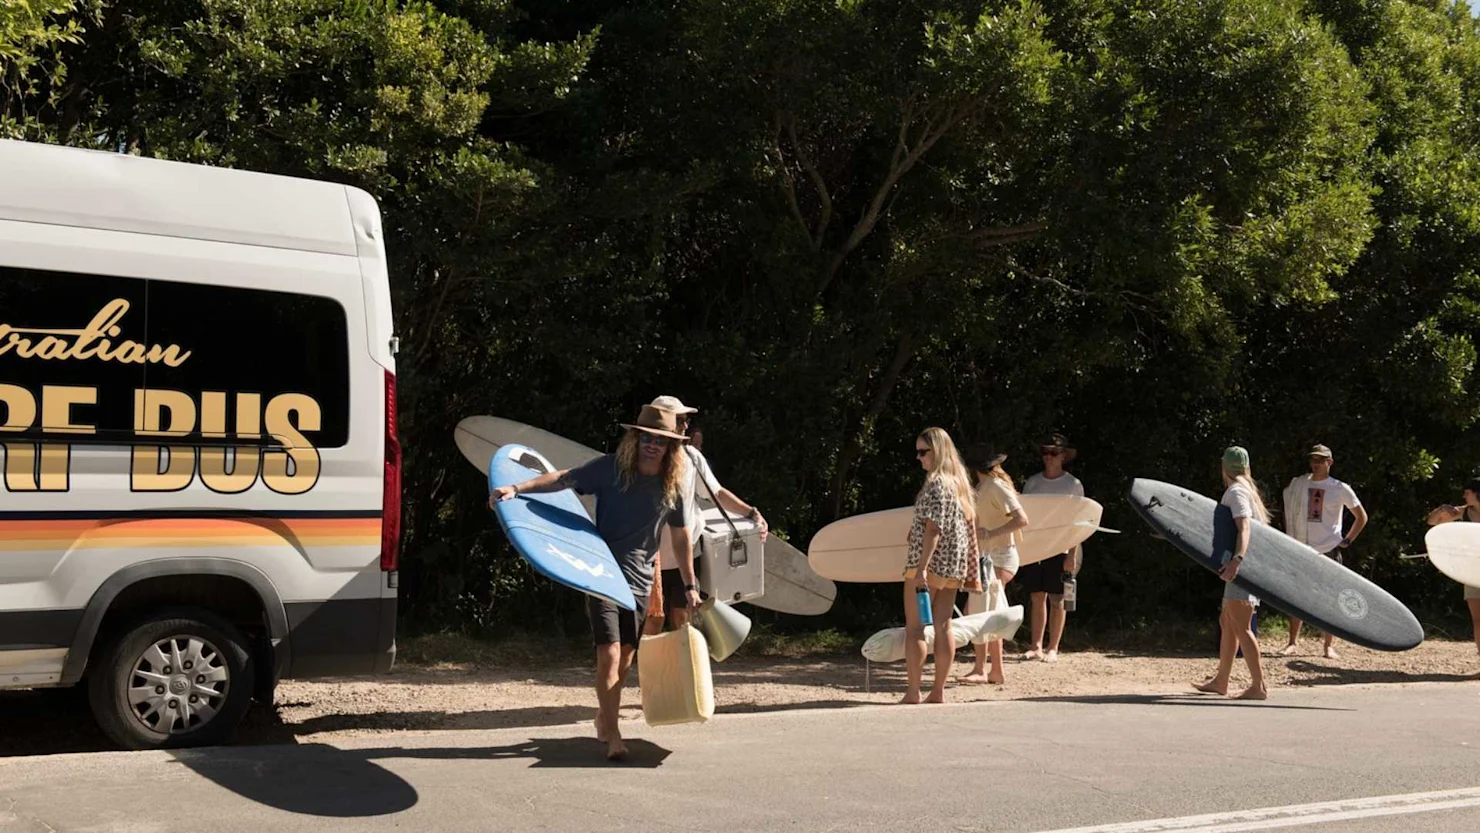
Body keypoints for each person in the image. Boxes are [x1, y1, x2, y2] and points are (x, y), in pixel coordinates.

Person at [489, 404, 694, 761]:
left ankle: (604, 715)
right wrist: (517, 488)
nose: (652, 445)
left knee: (626, 659)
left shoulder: (670, 487)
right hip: (600, 574)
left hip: (641, 582)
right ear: (636, 437)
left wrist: (690, 584)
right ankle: (613, 733)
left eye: (660, 441)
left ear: (670, 448)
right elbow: (564, 479)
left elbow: (680, 538)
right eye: (646, 437)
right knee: (609, 655)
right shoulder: (612, 469)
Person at [650, 395, 768, 631]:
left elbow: (716, 493)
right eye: (680, 420)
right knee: (652, 620)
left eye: (686, 420)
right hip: (651, 556)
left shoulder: (692, 457)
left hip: (688, 552)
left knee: (682, 620)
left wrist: (752, 513)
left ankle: (679, 666)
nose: (685, 426)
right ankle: (650, 668)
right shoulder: (643, 458)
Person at [901, 427, 978, 704]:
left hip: (929, 564)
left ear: (938, 451)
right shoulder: (959, 484)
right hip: (953, 566)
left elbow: (933, 530)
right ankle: (938, 691)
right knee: (944, 626)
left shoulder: (935, 484)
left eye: (924, 452)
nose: (919, 458)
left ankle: (913, 692)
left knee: (915, 628)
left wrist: (921, 567)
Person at [1279, 444, 1368, 658]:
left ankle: (1328, 645)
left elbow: (1361, 517)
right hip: (1301, 546)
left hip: (1328, 547)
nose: (1316, 464)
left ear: (1330, 462)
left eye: (1320, 460)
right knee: (1297, 595)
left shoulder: (1339, 488)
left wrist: (1347, 541)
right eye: (1313, 460)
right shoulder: (1299, 484)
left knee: (1330, 598)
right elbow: (1289, 510)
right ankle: (1292, 642)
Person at [1195, 446, 1269, 700]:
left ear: (1224, 467)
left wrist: (1237, 560)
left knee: (1241, 625)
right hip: (1241, 566)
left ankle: (1258, 686)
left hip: (1242, 567)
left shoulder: (1237, 492)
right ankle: (1221, 680)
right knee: (1227, 622)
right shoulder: (1248, 491)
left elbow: (1244, 527)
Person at [959, 442, 1029, 686]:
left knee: (982, 611)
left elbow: (1022, 520)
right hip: (989, 557)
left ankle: (984, 668)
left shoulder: (996, 487)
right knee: (983, 610)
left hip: (999, 556)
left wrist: (990, 533)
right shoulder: (985, 487)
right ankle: (991, 669)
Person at [1016, 433, 1083, 662]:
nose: (1049, 457)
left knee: (1057, 599)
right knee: (1036, 596)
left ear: (1063, 456)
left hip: (1061, 546)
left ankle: (1053, 647)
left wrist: (1072, 554)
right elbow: (1024, 517)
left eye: (1054, 453)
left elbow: (1078, 522)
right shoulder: (1033, 482)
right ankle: (1035, 646)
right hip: (1035, 546)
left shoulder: (1072, 485)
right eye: (1045, 452)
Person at [1426, 477, 1480, 665]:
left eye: (1468, 492)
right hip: (1474, 573)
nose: (1464, 495)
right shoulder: (1463, 512)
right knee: (1478, 620)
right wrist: (1441, 509)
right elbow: (1432, 522)